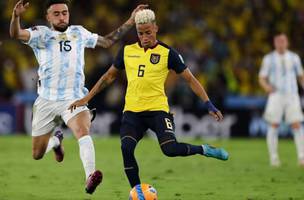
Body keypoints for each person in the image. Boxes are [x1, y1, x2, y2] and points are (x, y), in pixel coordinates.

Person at [69, 9, 229, 188]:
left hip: (158, 111)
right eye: (140, 33)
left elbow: (190, 79)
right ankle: (137, 192)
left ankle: (204, 150)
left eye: (148, 32)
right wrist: (86, 98)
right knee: (126, 148)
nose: (144, 37)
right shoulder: (127, 51)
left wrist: (208, 103)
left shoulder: (168, 53)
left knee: (170, 149)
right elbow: (108, 76)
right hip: (132, 113)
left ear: (156, 28)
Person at [9, 0, 147, 194]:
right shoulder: (41, 34)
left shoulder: (79, 32)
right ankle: (56, 142)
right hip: (46, 101)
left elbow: (107, 41)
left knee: (83, 131)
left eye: (64, 12)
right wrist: (16, 16)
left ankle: (90, 176)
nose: (61, 16)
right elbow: (15, 34)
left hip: (74, 98)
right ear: (48, 17)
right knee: (37, 154)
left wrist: (131, 20)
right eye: (56, 14)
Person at [259, 33, 304, 167]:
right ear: (275, 43)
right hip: (276, 95)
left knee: (296, 124)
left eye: (283, 41)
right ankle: (274, 158)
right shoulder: (269, 59)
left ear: (287, 42)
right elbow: (261, 77)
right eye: (278, 41)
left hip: (292, 95)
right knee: (274, 124)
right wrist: (267, 87)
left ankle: (302, 157)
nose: (281, 43)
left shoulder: (294, 57)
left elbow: (301, 76)